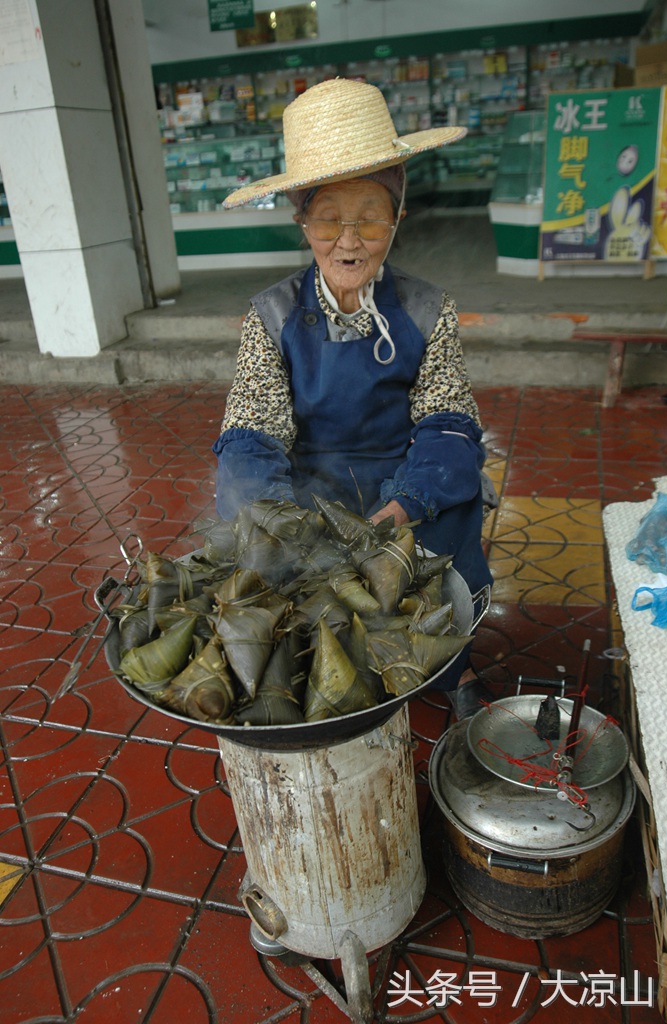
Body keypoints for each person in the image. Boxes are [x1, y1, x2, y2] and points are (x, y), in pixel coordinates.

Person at [212, 78, 495, 716]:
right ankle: (323, 667)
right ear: (300, 221)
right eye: (328, 218)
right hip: (310, 488)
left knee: (455, 533)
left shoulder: (428, 309)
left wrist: (400, 510)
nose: (349, 239)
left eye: (370, 216)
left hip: (404, 481)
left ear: (396, 217)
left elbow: (449, 426)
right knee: (280, 565)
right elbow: (250, 431)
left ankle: (451, 669)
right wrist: (287, 520)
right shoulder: (272, 315)